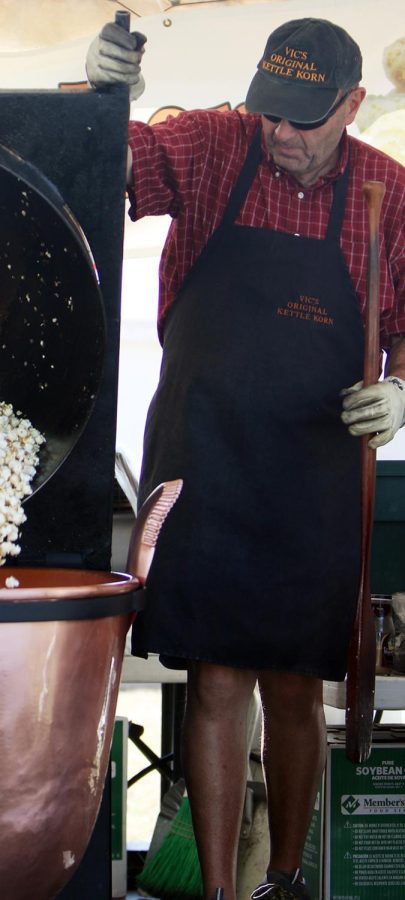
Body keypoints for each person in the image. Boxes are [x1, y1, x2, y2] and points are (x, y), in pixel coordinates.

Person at [86, 16, 405, 900]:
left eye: (305, 120)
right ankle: (223, 893)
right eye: (272, 114)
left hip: (317, 470)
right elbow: (108, 161)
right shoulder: (217, 144)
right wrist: (107, 95)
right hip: (205, 450)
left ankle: (287, 880)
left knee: (297, 684)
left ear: (352, 104)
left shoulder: (389, 193)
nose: (282, 135)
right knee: (219, 676)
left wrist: (400, 390)